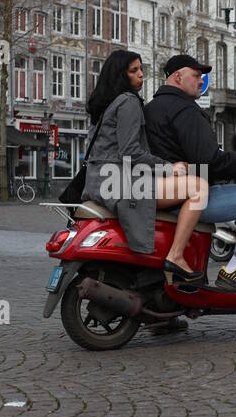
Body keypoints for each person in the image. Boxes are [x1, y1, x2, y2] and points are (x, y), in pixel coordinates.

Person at [145, 54, 236, 292]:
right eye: (196, 75)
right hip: (190, 198)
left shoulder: (151, 108)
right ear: (178, 77)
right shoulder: (185, 110)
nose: (201, 81)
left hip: (163, 193)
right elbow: (209, 160)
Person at [84, 49, 208, 284]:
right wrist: (169, 168)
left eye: (141, 69)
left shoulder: (106, 104)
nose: (141, 74)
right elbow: (130, 152)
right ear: (121, 75)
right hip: (119, 183)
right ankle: (176, 255)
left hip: (98, 181)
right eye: (134, 71)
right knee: (198, 187)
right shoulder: (128, 102)